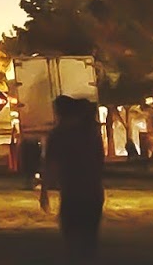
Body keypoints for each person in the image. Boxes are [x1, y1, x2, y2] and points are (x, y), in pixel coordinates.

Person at [41, 96, 104, 262]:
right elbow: (99, 162)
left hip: (72, 192)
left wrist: (44, 191)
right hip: (93, 192)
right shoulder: (91, 132)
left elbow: (50, 164)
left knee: (72, 237)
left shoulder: (58, 134)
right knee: (89, 238)